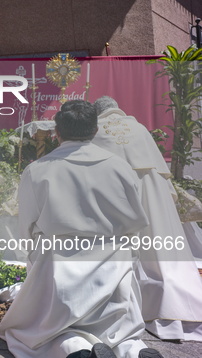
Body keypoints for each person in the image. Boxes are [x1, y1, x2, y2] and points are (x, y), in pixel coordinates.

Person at [0, 101, 163, 358]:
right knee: (119, 331)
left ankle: (76, 349)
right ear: (95, 130)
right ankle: (133, 351)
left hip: (61, 268)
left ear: (57, 132)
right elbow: (135, 222)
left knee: (47, 332)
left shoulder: (37, 170)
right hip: (113, 264)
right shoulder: (121, 167)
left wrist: (34, 262)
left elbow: (27, 228)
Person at [92, 96, 202, 341]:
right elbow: (162, 174)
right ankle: (175, 300)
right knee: (160, 247)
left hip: (119, 196)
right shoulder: (140, 129)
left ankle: (131, 304)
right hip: (153, 195)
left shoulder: (96, 132)